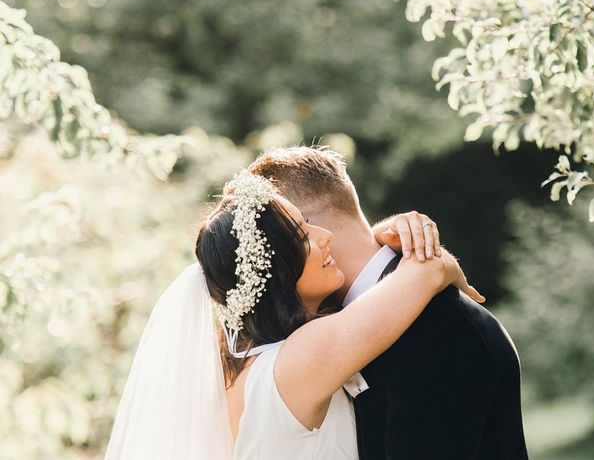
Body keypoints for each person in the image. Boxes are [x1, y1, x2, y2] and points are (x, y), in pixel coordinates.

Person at [103, 167, 481, 460]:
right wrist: (411, 244)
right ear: (279, 272)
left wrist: (380, 236)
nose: (325, 236)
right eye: (304, 235)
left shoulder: (246, 367)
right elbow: (427, 270)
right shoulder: (304, 356)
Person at [249, 145, 529, 460]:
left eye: (273, 247)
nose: (271, 271)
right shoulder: (333, 333)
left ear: (309, 230)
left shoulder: (436, 326)